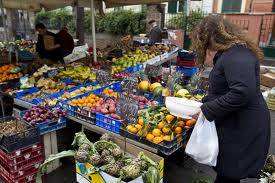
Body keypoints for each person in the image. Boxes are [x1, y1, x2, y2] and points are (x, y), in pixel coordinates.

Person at [191, 15, 270, 183]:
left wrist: (207, 110)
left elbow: (242, 92)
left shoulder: (237, 55)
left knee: (230, 171)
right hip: (238, 120)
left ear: (212, 36)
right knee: (228, 173)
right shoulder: (232, 52)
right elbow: (228, 89)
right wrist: (206, 101)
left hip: (243, 125)